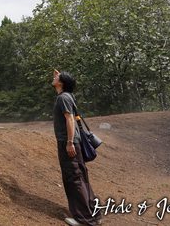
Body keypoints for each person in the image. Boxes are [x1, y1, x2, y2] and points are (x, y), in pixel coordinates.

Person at [52, 69, 101, 226]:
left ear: (61, 83)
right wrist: (60, 75)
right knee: (80, 176)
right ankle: (93, 213)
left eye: (57, 77)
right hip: (74, 142)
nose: (54, 77)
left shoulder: (63, 98)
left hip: (69, 143)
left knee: (73, 178)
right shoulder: (68, 96)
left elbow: (70, 119)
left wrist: (69, 142)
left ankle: (84, 219)